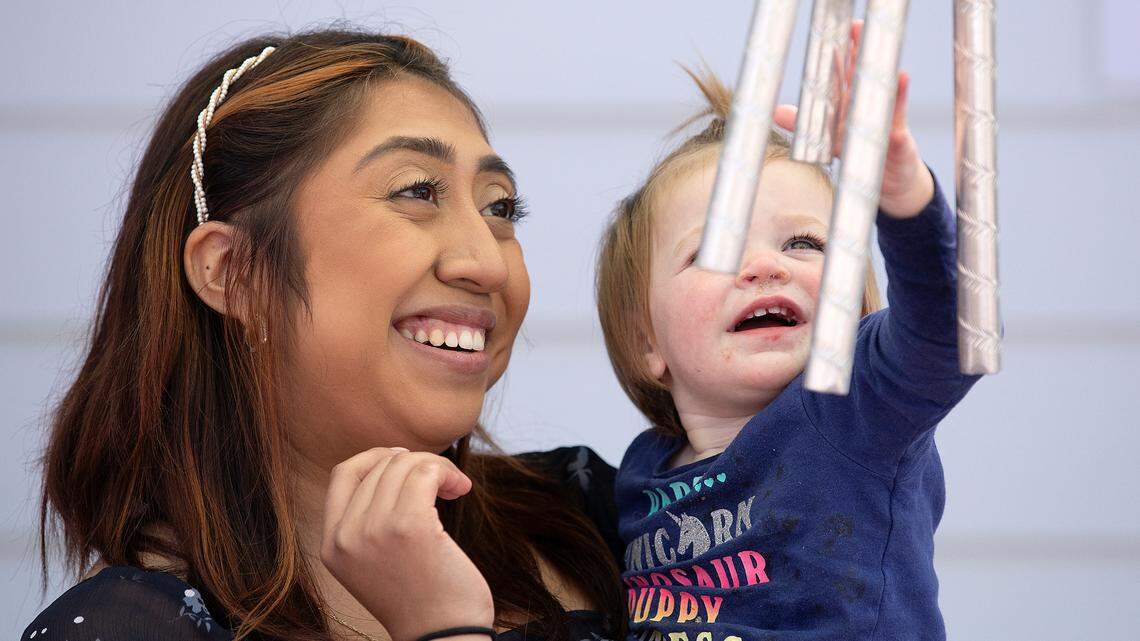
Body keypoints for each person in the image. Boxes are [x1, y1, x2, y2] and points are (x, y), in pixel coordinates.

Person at [23, 28, 625, 641]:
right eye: (417, 192)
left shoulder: (611, 518)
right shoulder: (126, 627)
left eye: (499, 208)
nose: (490, 264)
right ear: (234, 272)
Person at [595, 22, 986, 641]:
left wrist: (901, 196)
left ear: (857, 307)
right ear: (648, 341)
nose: (765, 266)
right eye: (715, 250)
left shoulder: (853, 411)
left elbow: (952, 332)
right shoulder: (641, 473)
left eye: (804, 242)